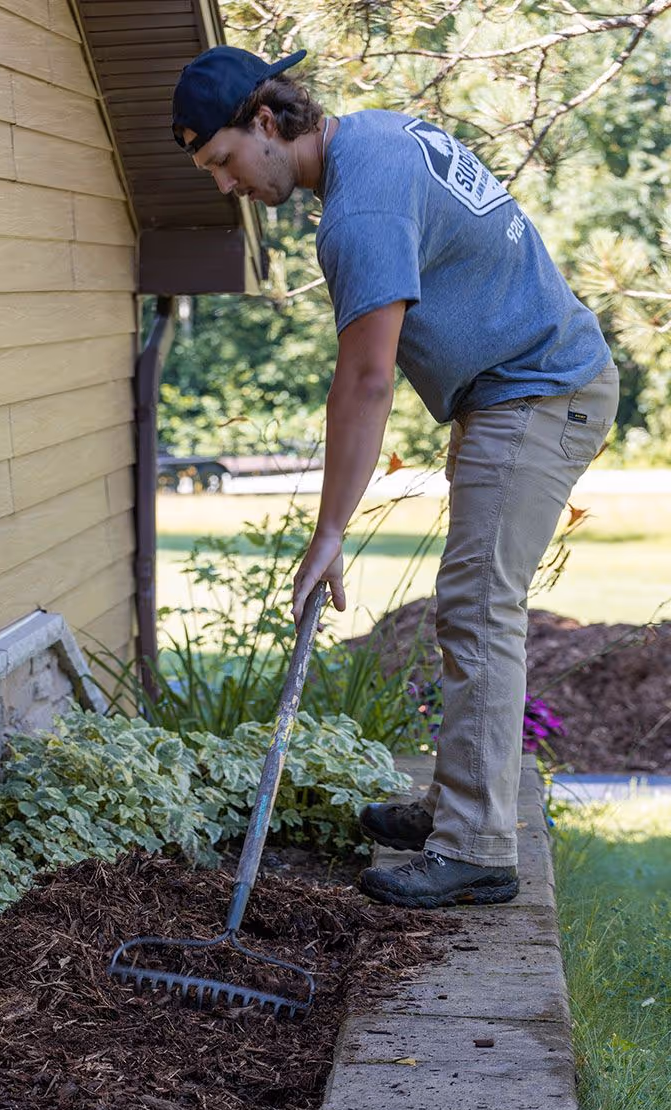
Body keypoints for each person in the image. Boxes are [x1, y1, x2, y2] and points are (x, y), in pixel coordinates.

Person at [171, 47, 618, 909]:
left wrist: (331, 531)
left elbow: (367, 379)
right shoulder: (373, 139)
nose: (225, 186)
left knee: (480, 605)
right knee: (473, 602)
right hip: (520, 385)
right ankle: (462, 810)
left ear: (266, 124)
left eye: (223, 162)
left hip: (538, 388)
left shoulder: (358, 212)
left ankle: (478, 848)